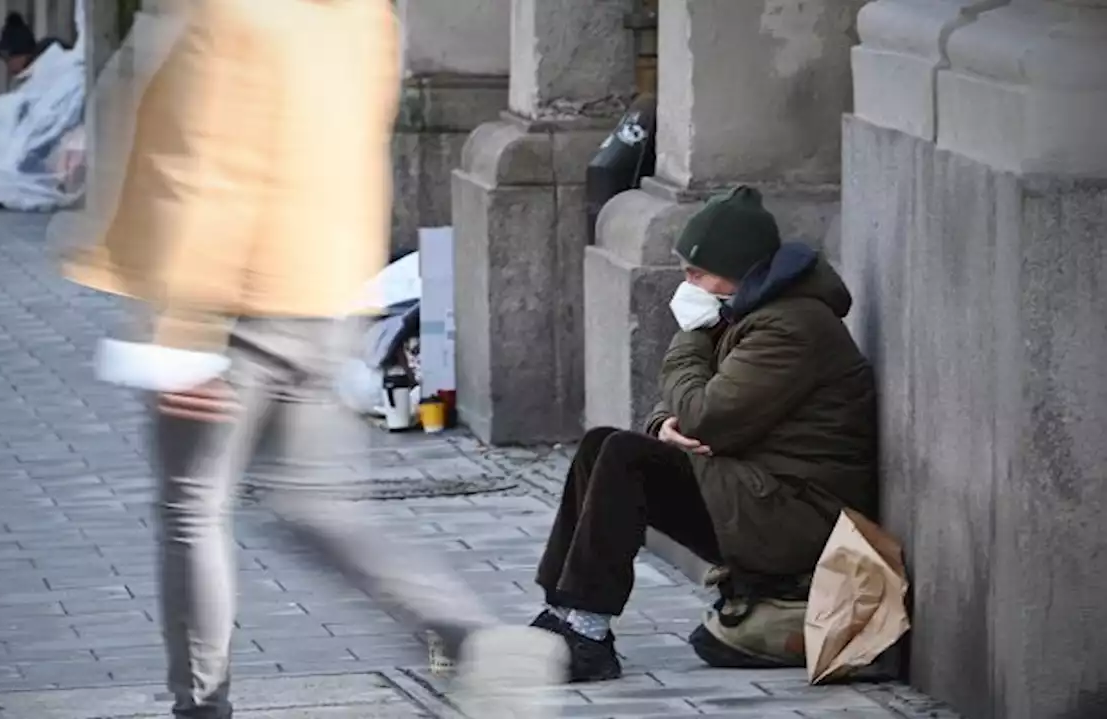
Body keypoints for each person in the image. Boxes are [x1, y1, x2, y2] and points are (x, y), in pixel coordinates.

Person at [61, 1, 566, 717]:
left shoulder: (225, 14)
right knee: (316, 507)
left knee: (193, 508)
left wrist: (179, 327)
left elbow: (198, 170)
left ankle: (200, 704)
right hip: (315, 291)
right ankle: (472, 636)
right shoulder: (362, 17)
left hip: (228, 302)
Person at [530, 185, 878, 681]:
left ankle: (588, 634)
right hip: (757, 492)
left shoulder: (790, 328)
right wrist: (662, 427)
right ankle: (562, 616)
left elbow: (704, 416)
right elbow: (683, 411)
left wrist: (690, 338)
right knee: (602, 444)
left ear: (740, 270)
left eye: (698, 272)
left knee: (627, 457)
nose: (686, 281)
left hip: (797, 514)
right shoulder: (748, 312)